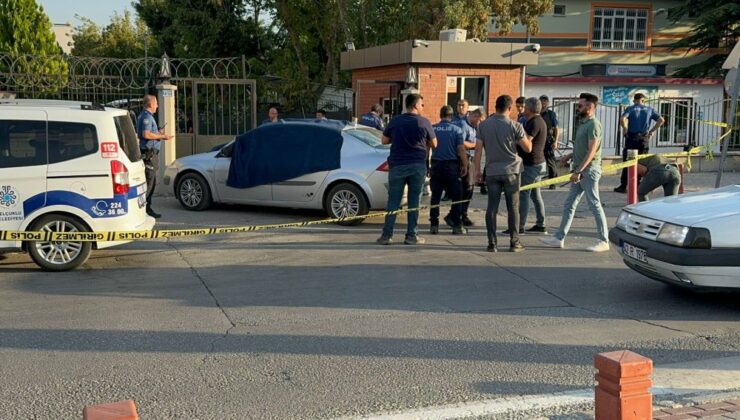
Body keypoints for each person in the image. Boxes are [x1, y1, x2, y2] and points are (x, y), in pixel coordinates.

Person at [540, 93, 609, 252]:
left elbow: (592, 151)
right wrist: (569, 156)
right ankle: (559, 237)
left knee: (594, 204)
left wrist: (578, 171)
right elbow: (583, 147)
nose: (577, 108)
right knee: (569, 204)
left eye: (580, 105)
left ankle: (603, 240)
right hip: (580, 170)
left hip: (588, 171)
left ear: (590, 107)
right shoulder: (583, 123)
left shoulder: (593, 125)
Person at [472, 95, 532, 253]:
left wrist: (477, 171)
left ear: (495, 106)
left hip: (492, 171)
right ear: (510, 108)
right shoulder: (515, 125)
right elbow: (528, 148)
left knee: (492, 207)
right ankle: (514, 242)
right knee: (513, 207)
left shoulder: (483, 126)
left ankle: (492, 243)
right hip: (512, 170)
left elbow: (478, 150)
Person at [377, 93, 437, 245]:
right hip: (417, 165)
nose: (423, 107)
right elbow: (435, 144)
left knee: (393, 202)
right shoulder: (424, 122)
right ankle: (411, 235)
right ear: (416, 105)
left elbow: (384, 140)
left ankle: (386, 235)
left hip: (397, 165)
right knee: (413, 202)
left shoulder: (396, 121)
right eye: (422, 104)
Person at [507, 97, 548, 235]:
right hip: (538, 162)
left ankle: (519, 226)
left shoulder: (534, 122)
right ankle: (541, 224)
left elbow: (527, 143)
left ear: (529, 109)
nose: (523, 109)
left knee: (523, 194)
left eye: (525, 107)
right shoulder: (538, 120)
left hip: (532, 164)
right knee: (536, 195)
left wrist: (513, 140)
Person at [614, 93, 665, 193]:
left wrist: (625, 129)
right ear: (643, 100)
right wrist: (652, 131)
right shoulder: (650, 109)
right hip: (644, 138)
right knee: (642, 162)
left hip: (632, 138)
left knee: (628, 161)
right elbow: (661, 120)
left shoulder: (631, 109)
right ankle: (640, 185)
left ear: (634, 100)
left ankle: (624, 185)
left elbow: (622, 119)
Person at [430, 105, 468, 235]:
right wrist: (465, 165)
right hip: (451, 166)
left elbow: (426, 147)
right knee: (457, 196)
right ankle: (456, 224)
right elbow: (461, 150)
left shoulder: (433, 128)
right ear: (451, 116)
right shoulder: (456, 130)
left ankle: (434, 224)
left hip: (436, 165)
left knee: (435, 196)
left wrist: (426, 165)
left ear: (440, 115)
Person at [136, 94, 173, 219]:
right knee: (149, 183)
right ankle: (145, 210)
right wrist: (162, 136)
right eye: (156, 103)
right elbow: (146, 134)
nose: (157, 105)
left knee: (150, 182)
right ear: (151, 104)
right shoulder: (147, 117)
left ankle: (146, 208)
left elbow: (147, 133)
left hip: (150, 154)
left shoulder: (144, 115)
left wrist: (157, 133)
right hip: (149, 155)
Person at [451, 105, 479, 226]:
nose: (480, 123)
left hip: (471, 158)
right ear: (475, 116)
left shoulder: (474, 126)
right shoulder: (463, 125)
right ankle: (458, 214)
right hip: (464, 158)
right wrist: (475, 145)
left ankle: (462, 213)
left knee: (469, 188)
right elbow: (461, 144)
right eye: (480, 120)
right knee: (466, 188)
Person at [539, 95, 560, 190]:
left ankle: (553, 182)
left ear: (547, 103)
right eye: (541, 102)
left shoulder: (551, 114)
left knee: (551, 162)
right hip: (538, 141)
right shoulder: (536, 113)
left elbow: (556, 128)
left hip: (548, 141)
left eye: (545, 102)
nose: (543, 104)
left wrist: (555, 141)